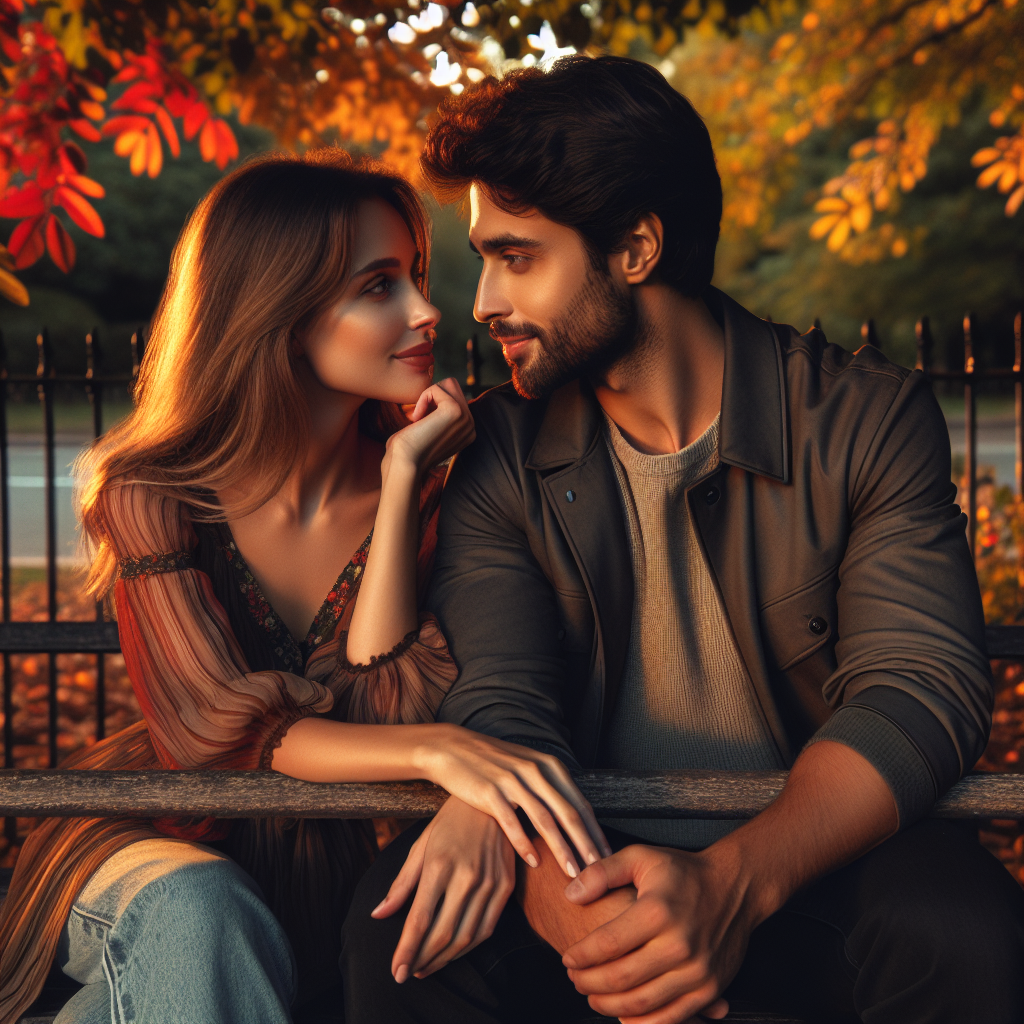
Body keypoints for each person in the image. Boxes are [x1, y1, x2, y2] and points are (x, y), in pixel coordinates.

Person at [342, 55, 1024, 1024]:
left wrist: (731, 885)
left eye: (518, 256)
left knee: (956, 927)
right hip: (586, 851)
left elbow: (919, 686)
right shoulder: (498, 445)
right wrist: (577, 910)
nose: (483, 299)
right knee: (405, 927)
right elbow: (504, 693)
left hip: (815, 856)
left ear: (634, 248)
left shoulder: (861, 418)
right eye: (484, 256)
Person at [0, 149, 609, 1024]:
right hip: (166, 832)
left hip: (340, 865)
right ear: (275, 312)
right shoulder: (154, 494)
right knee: (196, 916)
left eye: (413, 276)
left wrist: (400, 484)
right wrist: (440, 752)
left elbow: (380, 698)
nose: (428, 310)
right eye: (377, 287)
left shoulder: (444, 472)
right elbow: (213, 732)